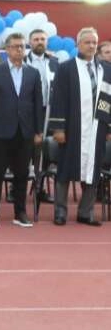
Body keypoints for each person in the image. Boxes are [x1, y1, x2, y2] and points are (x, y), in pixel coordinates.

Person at [0, 32, 44, 227]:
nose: (19, 50)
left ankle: (20, 212)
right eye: (15, 46)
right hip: (0, 131)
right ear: (7, 49)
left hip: (25, 132)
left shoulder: (33, 73)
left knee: (22, 174)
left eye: (22, 46)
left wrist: (38, 131)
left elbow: (38, 103)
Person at [50, 28, 110, 226]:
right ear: (78, 44)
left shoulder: (106, 69)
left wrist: (109, 128)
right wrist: (58, 128)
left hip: (97, 128)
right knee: (65, 169)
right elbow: (58, 100)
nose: (91, 46)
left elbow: (108, 100)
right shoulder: (66, 68)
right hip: (72, 127)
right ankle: (60, 211)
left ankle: (86, 212)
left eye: (94, 42)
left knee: (94, 170)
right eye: (87, 42)